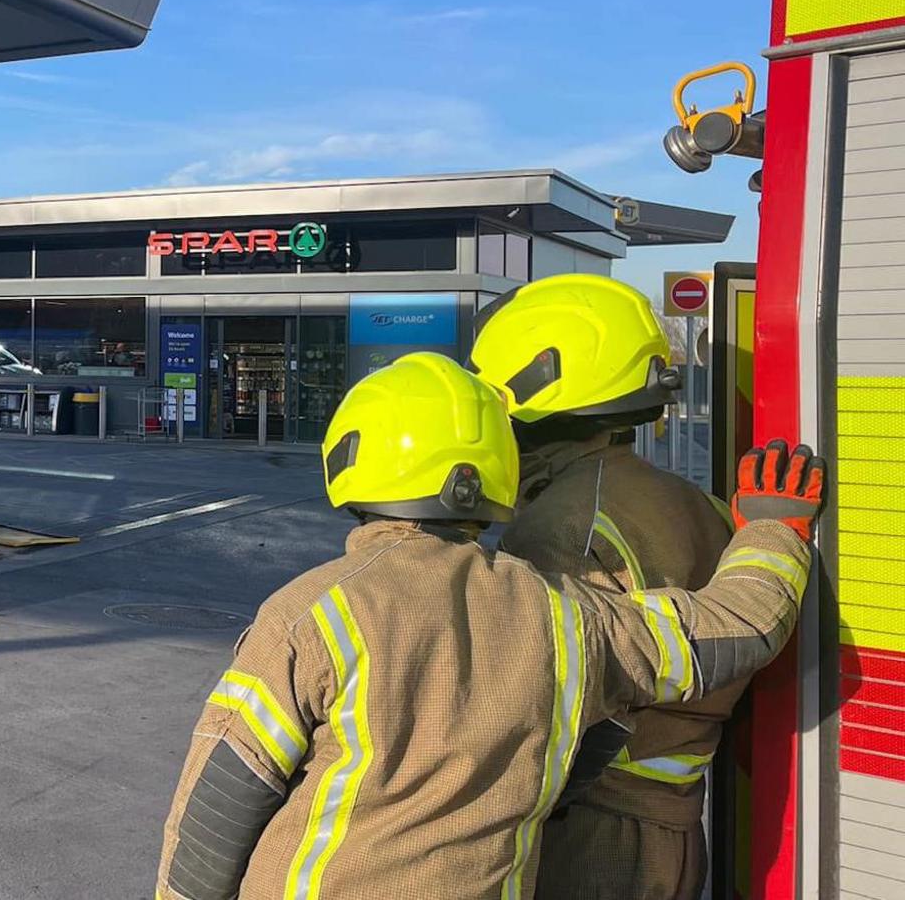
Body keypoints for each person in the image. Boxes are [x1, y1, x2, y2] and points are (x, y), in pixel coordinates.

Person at [153, 352, 823, 900]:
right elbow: (735, 626)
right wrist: (773, 527)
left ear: (350, 459)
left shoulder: (312, 613)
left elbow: (217, 807)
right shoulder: (569, 618)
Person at [470, 273, 741, 900]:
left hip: (590, 832)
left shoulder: (559, 522)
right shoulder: (699, 503)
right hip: (675, 826)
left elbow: (532, 701)